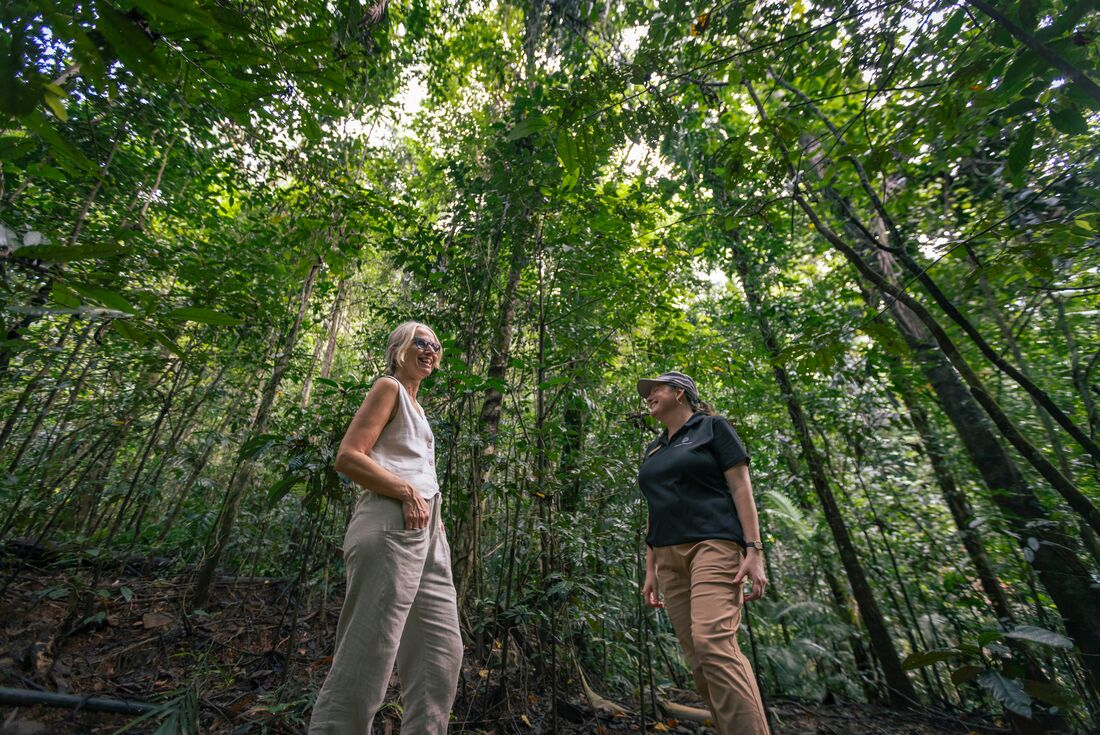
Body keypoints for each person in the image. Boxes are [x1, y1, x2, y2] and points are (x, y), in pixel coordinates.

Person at [309, 321, 462, 735]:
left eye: (436, 344)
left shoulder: (418, 407)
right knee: (369, 651)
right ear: (399, 349)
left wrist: (434, 518)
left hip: (427, 531)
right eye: (421, 342)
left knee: (441, 653)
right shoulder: (388, 387)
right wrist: (406, 492)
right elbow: (349, 456)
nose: (431, 349)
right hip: (391, 520)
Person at [637, 371, 770, 735]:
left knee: (714, 644)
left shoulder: (713, 428)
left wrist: (754, 550)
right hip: (667, 557)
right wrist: (650, 568)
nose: (648, 395)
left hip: (713, 546)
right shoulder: (654, 448)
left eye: (656, 389)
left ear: (680, 393)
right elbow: (654, 507)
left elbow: (741, 487)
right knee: (697, 658)